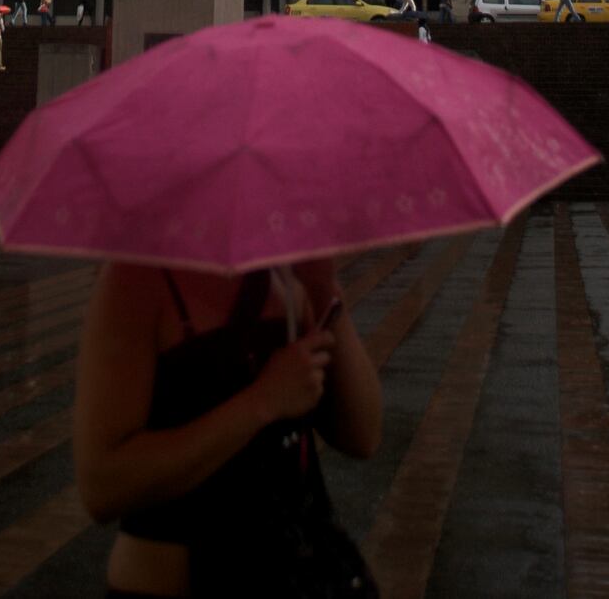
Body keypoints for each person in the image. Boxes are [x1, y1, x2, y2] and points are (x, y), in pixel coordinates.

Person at [75, 256, 382, 597]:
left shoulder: (291, 278)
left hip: (289, 572)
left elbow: (362, 436)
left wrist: (323, 289)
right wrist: (261, 402)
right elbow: (103, 484)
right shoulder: (136, 279)